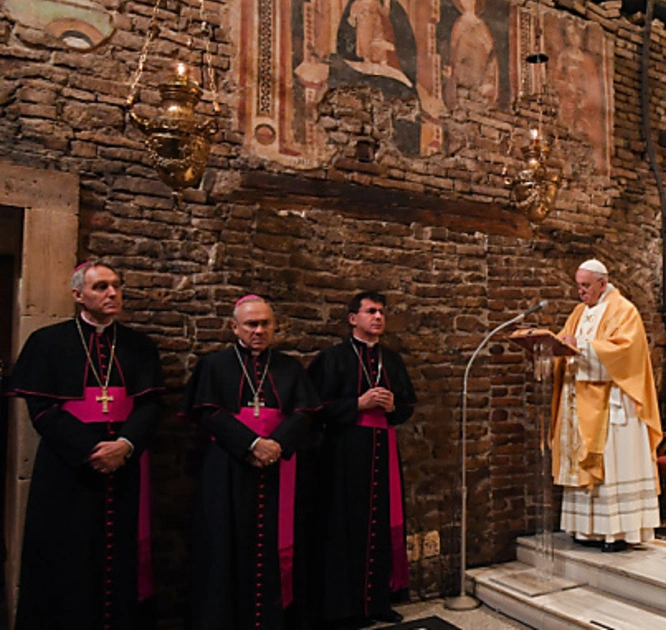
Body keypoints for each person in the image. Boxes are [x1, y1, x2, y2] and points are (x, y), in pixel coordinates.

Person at [4, 261, 163, 630]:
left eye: (116, 286)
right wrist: (93, 450)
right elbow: (42, 411)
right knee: (65, 557)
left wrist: (124, 445)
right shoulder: (48, 342)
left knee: (121, 558)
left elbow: (150, 406)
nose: (112, 293)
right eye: (101, 287)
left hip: (124, 468)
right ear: (78, 295)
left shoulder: (139, 346)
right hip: (67, 469)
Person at [184, 295, 321, 630]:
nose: (259, 330)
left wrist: (276, 445)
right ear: (235, 327)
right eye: (251, 324)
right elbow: (208, 413)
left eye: (265, 324)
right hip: (228, 467)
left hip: (278, 466)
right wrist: (252, 444)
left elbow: (305, 412)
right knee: (224, 546)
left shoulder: (290, 368)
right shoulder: (214, 366)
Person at [307, 291, 416, 629]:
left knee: (381, 524)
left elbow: (408, 406)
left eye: (381, 311)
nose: (378, 317)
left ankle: (379, 602)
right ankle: (346, 608)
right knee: (344, 526)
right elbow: (314, 409)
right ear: (353, 318)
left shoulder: (392, 360)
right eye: (371, 311)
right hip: (344, 453)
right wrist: (357, 404)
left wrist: (392, 407)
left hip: (383, 449)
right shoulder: (332, 358)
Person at [551, 259, 662, 552]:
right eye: (578, 285)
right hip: (580, 399)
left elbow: (626, 352)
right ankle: (586, 530)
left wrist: (583, 347)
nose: (581, 291)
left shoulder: (624, 310)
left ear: (603, 283)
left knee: (613, 466)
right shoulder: (578, 312)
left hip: (613, 404)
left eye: (586, 286)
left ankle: (617, 532)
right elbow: (565, 341)